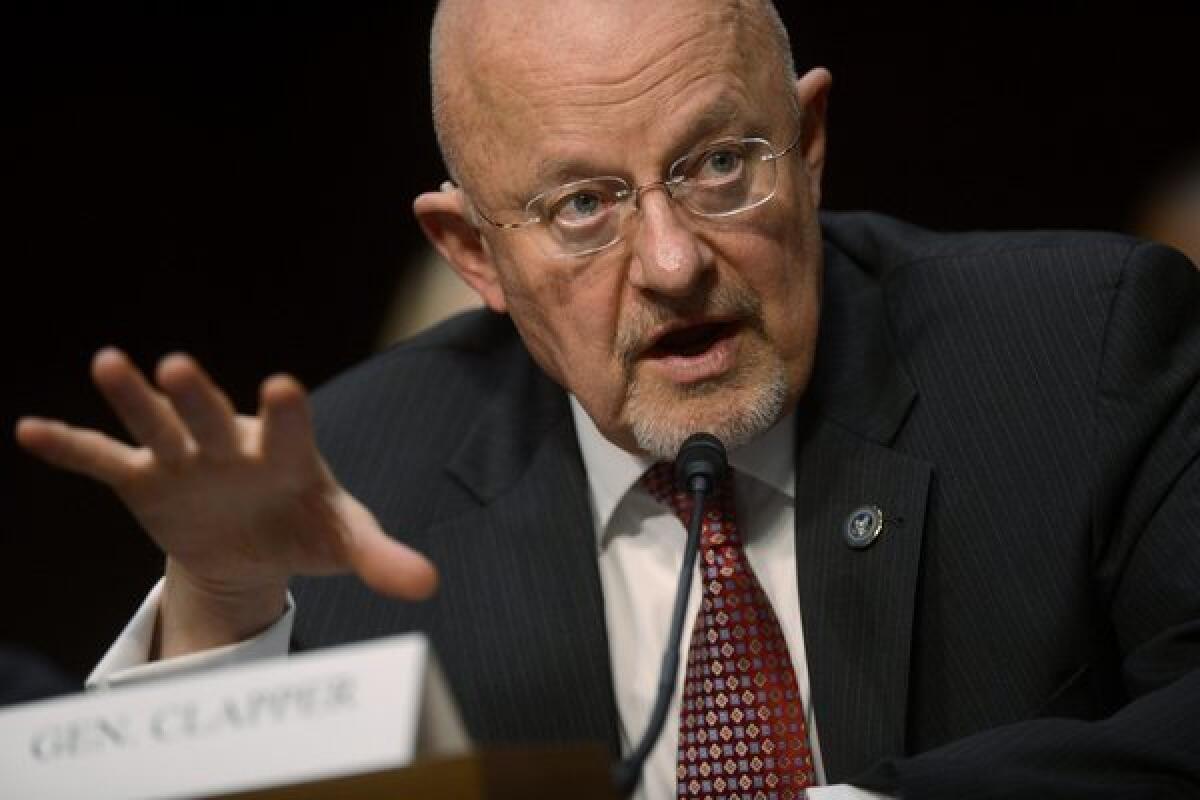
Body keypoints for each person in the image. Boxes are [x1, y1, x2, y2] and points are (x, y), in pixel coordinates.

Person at [15, 1, 1200, 798]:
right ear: (473, 254)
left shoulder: (1082, 347)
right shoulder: (356, 484)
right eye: (583, 204)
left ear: (812, 138)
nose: (674, 261)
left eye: (719, 164)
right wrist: (220, 605)